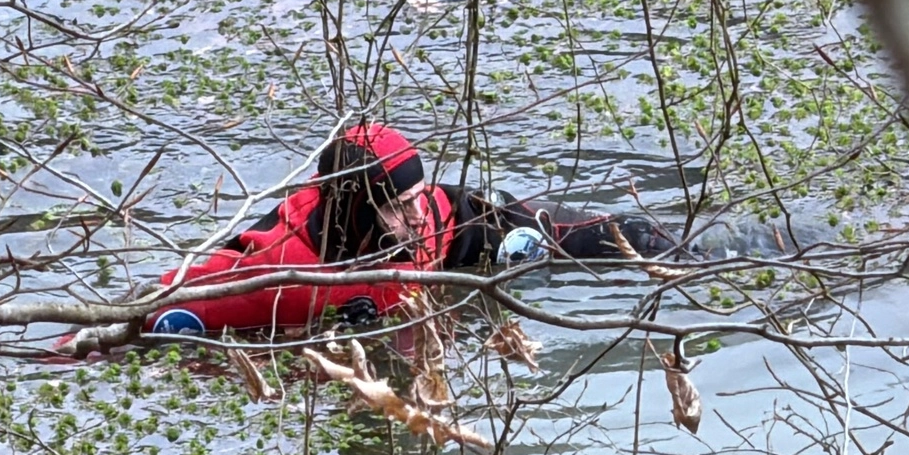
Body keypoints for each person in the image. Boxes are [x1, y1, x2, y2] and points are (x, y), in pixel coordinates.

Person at [141, 123, 673, 335]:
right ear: (360, 211)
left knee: (629, 235)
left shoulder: (437, 215)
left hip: (434, 296)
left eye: (419, 197)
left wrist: (619, 238)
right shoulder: (282, 271)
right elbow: (154, 307)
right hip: (338, 334)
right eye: (398, 207)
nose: (417, 216)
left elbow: (468, 216)